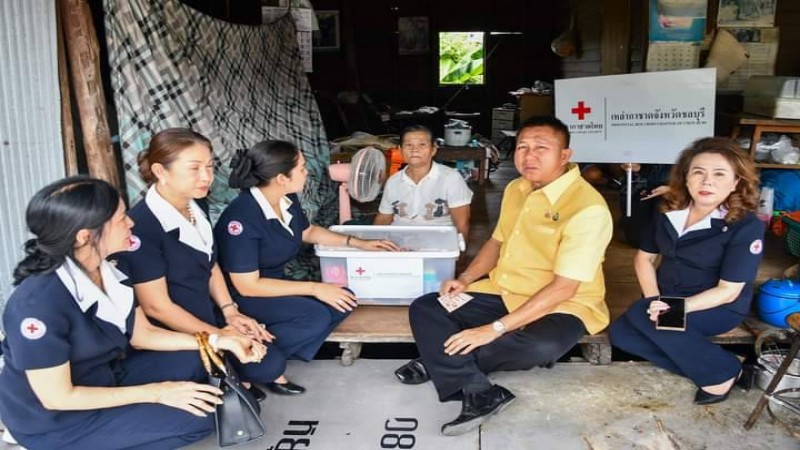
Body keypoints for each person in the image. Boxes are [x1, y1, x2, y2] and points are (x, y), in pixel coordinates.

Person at [0, 176, 265, 450]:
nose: (132, 223)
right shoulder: (37, 306)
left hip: (103, 377)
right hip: (55, 420)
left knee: (200, 357)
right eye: (121, 218)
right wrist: (159, 393)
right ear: (85, 236)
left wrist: (220, 340)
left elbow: (143, 334)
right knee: (209, 418)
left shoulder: (111, 269)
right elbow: (59, 397)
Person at [394, 116, 613, 436]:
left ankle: (437, 361)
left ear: (565, 156)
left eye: (541, 148)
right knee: (428, 306)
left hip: (564, 303)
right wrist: (466, 279)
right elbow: (497, 242)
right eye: (523, 147)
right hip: (505, 290)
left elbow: (564, 287)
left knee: (541, 346)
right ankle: (481, 391)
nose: (529, 155)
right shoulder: (516, 188)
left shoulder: (588, 208)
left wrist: (492, 329)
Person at [215, 140, 399, 393]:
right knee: (315, 316)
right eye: (301, 168)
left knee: (344, 298)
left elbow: (308, 231)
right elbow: (247, 285)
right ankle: (250, 364)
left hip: (274, 285)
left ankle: (262, 352)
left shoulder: (285, 198)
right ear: (281, 178)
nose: (307, 171)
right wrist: (315, 288)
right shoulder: (241, 219)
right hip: (243, 295)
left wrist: (357, 243)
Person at [114, 128, 279, 401]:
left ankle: (229, 369)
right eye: (194, 168)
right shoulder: (142, 228)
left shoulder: (195, 205)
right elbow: (158, 307)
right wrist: (222, 337)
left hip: (207, 313)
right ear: (160, 171)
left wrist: (230, 313)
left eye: (210, 167)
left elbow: (210, 261)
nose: (206, 177)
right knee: (247, 365)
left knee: (271, 361)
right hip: (172, 330)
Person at [609, 137, 764, 405]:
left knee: (640, 317)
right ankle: (728, 364)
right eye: (698, 172)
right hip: (667, 296)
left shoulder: (745, 226)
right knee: (621, 334)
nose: (707, 182)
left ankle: (721, 375)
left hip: (716, 305)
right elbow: (643, 259)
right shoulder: (669, 210)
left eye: (719, 174)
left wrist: (676, 308)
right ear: (686, 178)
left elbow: (728, 291)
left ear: (736, 182)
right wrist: (655, 300)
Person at [374, 125, 473, 241]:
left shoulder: (451, 178)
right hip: (399, 244)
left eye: (422, 144)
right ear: (400, 150)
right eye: (408, 145)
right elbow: (383, 218)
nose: (414, 150)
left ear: (433, 150)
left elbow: (462, 222)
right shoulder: (393, 181)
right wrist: (372, 245)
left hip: (438, 244)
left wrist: (458, 255)